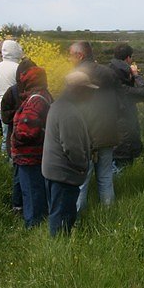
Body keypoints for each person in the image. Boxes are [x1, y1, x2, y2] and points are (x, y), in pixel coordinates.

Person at [42, 71, 95, 236]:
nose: (90, 94)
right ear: (78, 90)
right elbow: (72, 147)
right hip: (63, 173)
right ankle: (57, 251)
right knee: (62, 217)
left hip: (54, 171)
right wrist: (83, 165)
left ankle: (58, 247)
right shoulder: (68, 112)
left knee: (58, 212)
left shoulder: (59, 105)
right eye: (88, 90)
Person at [68, 41, 119, 212]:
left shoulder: (76, 75)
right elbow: (118, 101)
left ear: (80, 55)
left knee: (81, 182)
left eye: (71, 55)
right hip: (108, 132)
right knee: (105, 178)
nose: (69, 59)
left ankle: (75, 222)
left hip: (86, 135)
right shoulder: (109, 73)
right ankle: (108, 215)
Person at [10, 65, 53, 228]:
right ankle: (40, 222)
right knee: (38, 190)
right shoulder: (45, 96)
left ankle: (33, 225)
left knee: (31, 192)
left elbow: (27, 131)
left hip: (29, 155)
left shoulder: (35, 101)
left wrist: (16, 139)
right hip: (40, 154)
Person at [0, 57, 36, 213]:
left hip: (20, 141)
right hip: (18, 140)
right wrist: (20, 115)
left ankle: (22, 206)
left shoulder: (34, 92)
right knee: (19, 176)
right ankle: (18, 205)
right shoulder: (13, 92)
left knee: (22, 176)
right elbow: (5, 117)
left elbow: (4, 117)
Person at [109, 43, 144, 171]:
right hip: (123, 140)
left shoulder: (108, 74)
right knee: (120, 172)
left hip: (110, 136)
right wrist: (136, 75)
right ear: (128, 58)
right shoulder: (121, 87)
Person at [0, 39, 24, 155]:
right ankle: (15, 162)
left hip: (2, 106)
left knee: (5, 136)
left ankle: (4, 163)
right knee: (17, 136)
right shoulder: (18, 68)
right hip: (18, 107)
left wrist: (2, 97)